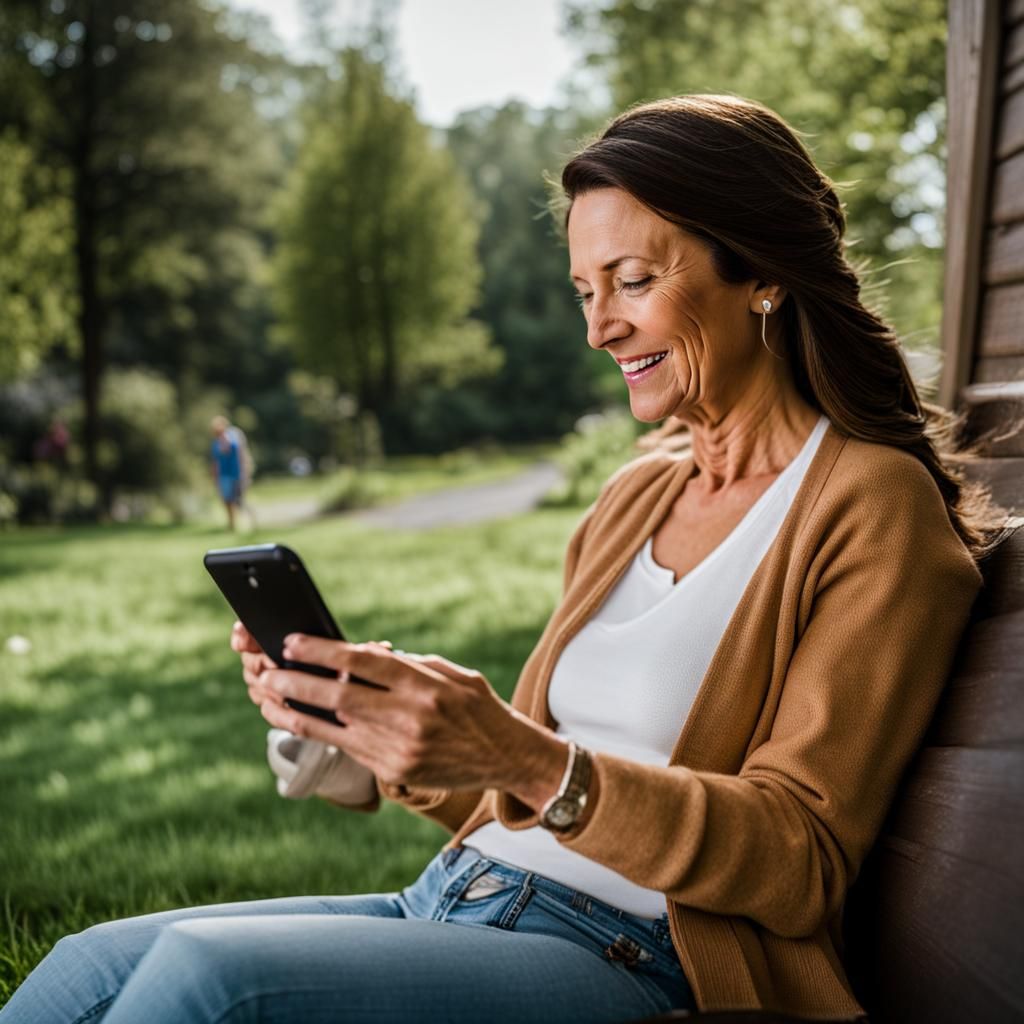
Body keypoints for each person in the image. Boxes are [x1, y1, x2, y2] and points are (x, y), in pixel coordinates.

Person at [2, 95, 1010, 1024]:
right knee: (91, 968)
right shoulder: (636, 495)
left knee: (211, 984)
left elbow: (799, 859)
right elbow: (519, 787)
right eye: (582, 288)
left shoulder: (870, 505)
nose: (597, 326)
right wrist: (367, 723)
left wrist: (521, 755)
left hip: (647, 958)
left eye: (632, 280)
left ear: (762, 273)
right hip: (461, 895)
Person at [209, 415, 253, 530]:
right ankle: (232, 524)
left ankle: (247, 520)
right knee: (226, 500)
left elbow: (241, 456)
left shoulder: (234, 440)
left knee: (238, 500)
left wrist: (245, 470)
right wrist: (215, 477)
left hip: (236, 474)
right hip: (223, 475)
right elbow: (216, 462)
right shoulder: (215, 444)